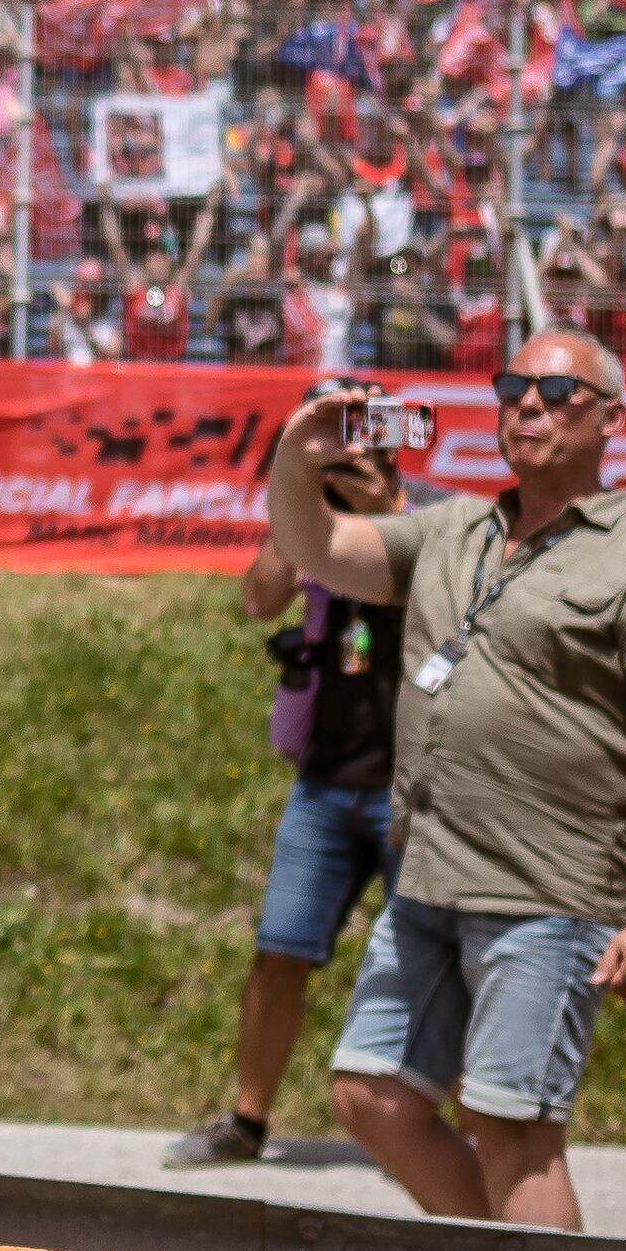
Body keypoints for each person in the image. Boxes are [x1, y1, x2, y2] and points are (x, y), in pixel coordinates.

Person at [265, 328, 626, 1229]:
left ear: (613, 419)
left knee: (512, 1128)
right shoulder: (452, 528)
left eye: (560, 391)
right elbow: (317, 547)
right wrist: (296, 454)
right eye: (515, 384)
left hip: (549, 894)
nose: (529, 403)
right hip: (429, 881)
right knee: (371, 1096)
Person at [176, 378, 411, 1167]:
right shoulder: (305, 510)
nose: (343, 442)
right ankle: (246, 1121)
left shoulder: (432, 515)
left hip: (415, 787)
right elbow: (259, 599)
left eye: (356, 424)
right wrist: (298, 498)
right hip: (325, 779)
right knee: (278, 949)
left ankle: (437, 1128)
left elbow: (454, 598)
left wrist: (381, 511)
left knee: (431, 955)